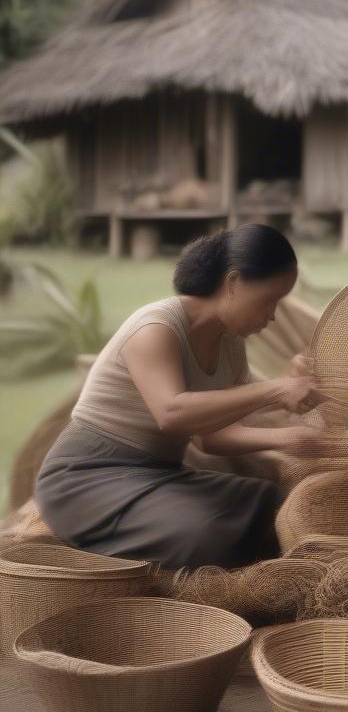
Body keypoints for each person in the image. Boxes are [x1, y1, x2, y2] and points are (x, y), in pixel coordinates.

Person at [36, 224, 326, 568]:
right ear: (233, 284)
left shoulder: (231, 345)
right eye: (269, 300)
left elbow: (210, 438)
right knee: (208, 536)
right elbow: (172, 413)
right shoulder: (156, 327)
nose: (273, 315)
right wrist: (276, 390)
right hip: (86, 479)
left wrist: (287, 438)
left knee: (269, 503)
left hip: (158, 474)